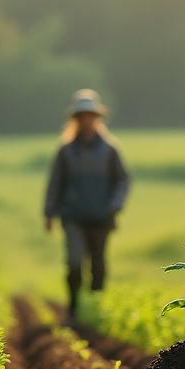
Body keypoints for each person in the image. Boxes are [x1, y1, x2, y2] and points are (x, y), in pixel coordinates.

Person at [44, 89, 130, 316]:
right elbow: (55, 183)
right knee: (74, 262)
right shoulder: (65, 151)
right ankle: (73, 306)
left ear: (97, 118)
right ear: (76, 119)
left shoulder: (110, 150)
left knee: (98, 265)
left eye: (90, 116)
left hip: (101, 216)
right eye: (82, 116)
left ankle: (94, 307)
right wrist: (49, 213)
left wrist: (115, 205)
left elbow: (122, 180)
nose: (86, 120)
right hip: (72, 216)